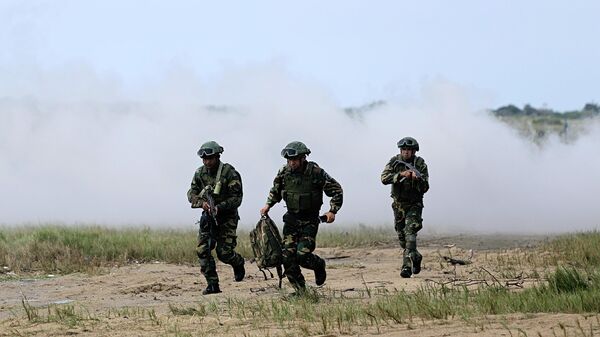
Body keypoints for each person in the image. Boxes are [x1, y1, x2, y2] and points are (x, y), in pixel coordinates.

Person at [260, 141, 343, 293]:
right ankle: (300, 291)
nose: (292, 162)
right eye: (289, 160)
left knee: (302, 254)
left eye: (295, 159)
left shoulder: (316, 173)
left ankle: (318, 265)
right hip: (291, 220)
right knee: (287, 256)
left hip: (310, 221)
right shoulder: (284, 172)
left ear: (303, 158)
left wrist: (333, 211)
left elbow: (336, 190)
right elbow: (276, 190)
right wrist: (268, 205)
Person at [187, 141, 245, 295]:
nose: (207, 162)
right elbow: (191, 194)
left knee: (224, 253)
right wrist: (202, 203)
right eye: (204, 159)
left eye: (210, 158)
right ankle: (213, 285)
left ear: (217, 157)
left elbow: (237, 198)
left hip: (227, 217)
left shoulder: (229, 173)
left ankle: (238, 262)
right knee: (202, 250)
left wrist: (220, 207)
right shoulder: (200, 173)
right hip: (208, 217)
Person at [381, 137, 429, 278]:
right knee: (402, 238)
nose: (406, 152)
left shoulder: (420, 164)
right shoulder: (394, 162)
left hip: (414, 204)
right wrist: (401, 175)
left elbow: (426, 187)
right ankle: (416, 256)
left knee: (410, 233)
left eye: (409, 150)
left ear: (414, 151)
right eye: (404, 150)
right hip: (398, 205)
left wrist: (417, 179)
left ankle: (406, 267)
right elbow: (384, 178)